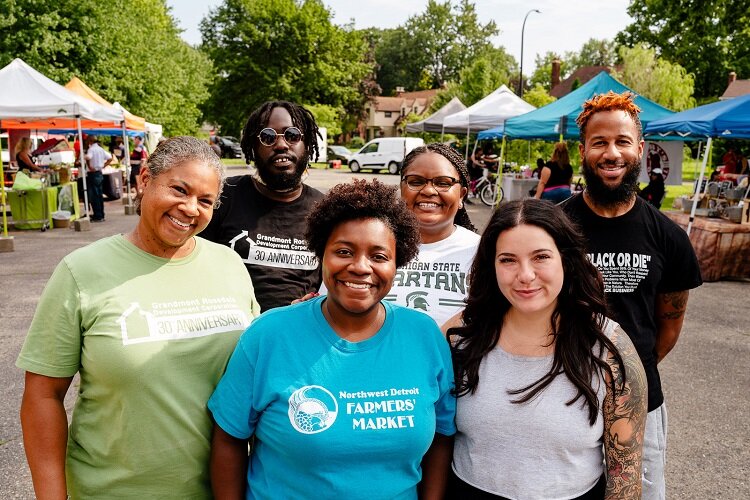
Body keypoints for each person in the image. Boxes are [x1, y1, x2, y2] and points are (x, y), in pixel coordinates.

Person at [17, 136, 261, 499]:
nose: (190, 208)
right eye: (179, 189)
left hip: (220, 490)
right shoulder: (81, 271)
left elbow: (253, 376)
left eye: (205, 201)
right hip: (111, 491)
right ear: (145, 178)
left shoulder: (229, 265)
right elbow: (42, 396)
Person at [208, 179, 456, 499]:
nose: (360, 267)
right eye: (343, 251)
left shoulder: (424, 336)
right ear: (320, 253)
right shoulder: (268, 336)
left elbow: (441, 437)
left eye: (379, 256)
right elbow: (229, 438)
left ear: (398, 263)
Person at [445, 199, 647, 499]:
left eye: (540, 257)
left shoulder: (610, 349)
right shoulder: (460, 336)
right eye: (508, 259)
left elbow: (625, 478)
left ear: (565, 259)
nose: (525, 275)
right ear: (492, 265)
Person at [560, 91, 702, 499]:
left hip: (642, 399)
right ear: (583, 149)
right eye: (599, 142)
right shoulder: (554, 228)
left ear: (639, 149)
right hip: (562, 391)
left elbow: (669, 324)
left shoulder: (669, 238)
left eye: (622, 141)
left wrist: (629, 371)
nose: (611, 153)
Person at [202, 100, 324, 311]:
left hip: (296, 331)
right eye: (267, 137)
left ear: (308, 145)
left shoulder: (324, 209)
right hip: (233, 330)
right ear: (253, 146)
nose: (281, 145)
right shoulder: (224, 196)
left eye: (292, 135)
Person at [394, 143, 480, 326]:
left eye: (443, 183)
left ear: (462, 196)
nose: (428, 191)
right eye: (415, 182)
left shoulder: (483, 252)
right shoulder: (373, 245)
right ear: (401, 189)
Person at [84, 136, 112, 222]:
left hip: (93, 173)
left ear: (90, 141)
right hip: (99, 172)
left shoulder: (91, 149)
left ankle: (98, 215)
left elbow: (88, 157)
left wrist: (89, 165)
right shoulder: (100, 149)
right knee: (99, 195)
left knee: (94, 195)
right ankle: (101, 214)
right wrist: (104, 165)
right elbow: (110, 157)